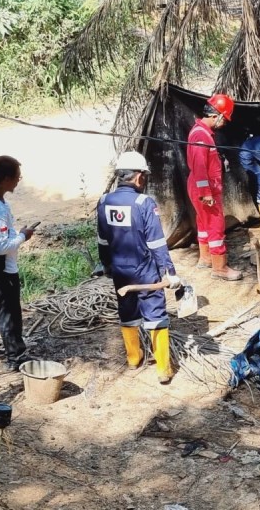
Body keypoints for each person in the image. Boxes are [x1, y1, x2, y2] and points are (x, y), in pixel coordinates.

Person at [97, 151, 181, 384]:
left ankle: (134, 358)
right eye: (144, 175)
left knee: (128, 311)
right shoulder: (144, 203)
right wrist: (170, 273)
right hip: (145, 271)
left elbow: (103, 240)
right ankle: (163, 369)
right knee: (155, 314)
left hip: (120, 271)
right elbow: (156, 242)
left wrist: (106, 265)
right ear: (138, 177)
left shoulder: (104, 201)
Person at [187, 93, 242, 280]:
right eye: (223, 119)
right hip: (205, 188)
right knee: (216, 226)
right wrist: (206, 193)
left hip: (199, 187)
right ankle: (220, 268)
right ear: (215, 115)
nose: (224, 123)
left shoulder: (200, 132)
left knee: (203, 224)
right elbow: (200, 167)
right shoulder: (201, 136)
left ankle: (205, 259)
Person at [0, 156, 35, 371]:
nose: (18, 181)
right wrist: (24, 236)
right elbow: (2, 248)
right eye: (17, 177)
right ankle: (16, 357)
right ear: (6, 179)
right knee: (10, 311)